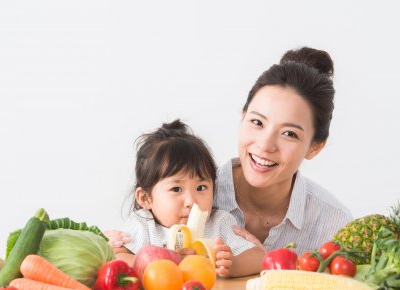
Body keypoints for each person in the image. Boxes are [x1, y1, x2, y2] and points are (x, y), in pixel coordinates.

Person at [215, 47, 353, 255]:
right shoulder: (183, 195)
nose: (265, 145)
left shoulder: (334, 226)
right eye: (257, 122)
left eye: (289, 134)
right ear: (243, 116)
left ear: (315, 147)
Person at [110, 119, 264, 278]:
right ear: (145, 198)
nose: (192, 201)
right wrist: (168, 260)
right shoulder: (142, 224)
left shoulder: (219, 223)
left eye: (201, 188)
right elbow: (117, 259)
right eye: (176, 189)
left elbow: (259, 258)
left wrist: (233, 265)